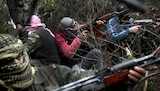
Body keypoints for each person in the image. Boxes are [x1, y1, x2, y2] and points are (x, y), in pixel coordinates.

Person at [0, 33, 146, 91]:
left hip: (67, 70)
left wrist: (118, 78)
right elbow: (68, 53)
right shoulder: (58, 38)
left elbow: (87, 81)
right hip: (71, 66)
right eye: (7, 61)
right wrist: (78, 39)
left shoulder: (52, 72)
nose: (16, 62)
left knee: (96, 55)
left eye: (18, 56)